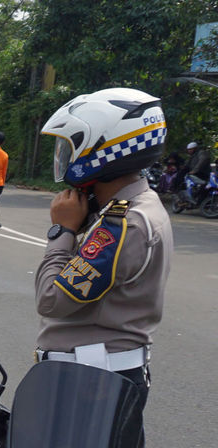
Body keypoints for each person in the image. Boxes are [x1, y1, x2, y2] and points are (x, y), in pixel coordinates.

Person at [35, 87, 172, 409]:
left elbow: (51, 299)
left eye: (72, 147)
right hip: (97, 375)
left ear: (104, 148)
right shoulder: (134, 207)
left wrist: (62, 230)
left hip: (92, 383)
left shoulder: (124, 224)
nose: (65, 157)